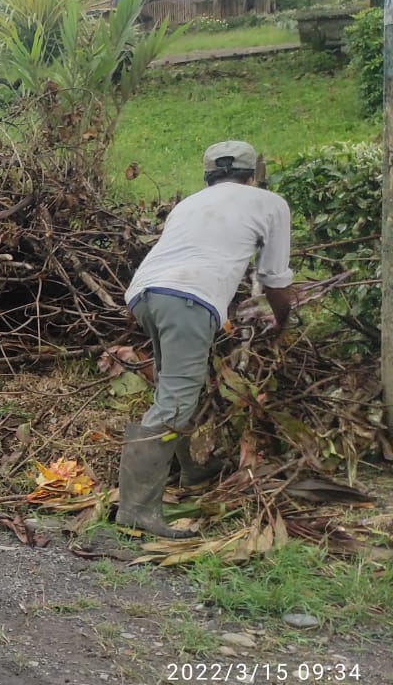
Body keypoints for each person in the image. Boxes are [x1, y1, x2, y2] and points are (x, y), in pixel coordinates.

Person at [116, 140, 295, 538]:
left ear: (208, 174)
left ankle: (194, 469)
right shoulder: (270, 204)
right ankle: (137, 510)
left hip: (145, 294)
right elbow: (274, 279)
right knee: (175, 400)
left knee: (176, 387)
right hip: (187, 299)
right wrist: (282, 320)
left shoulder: (189, 204)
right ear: (253, 175)